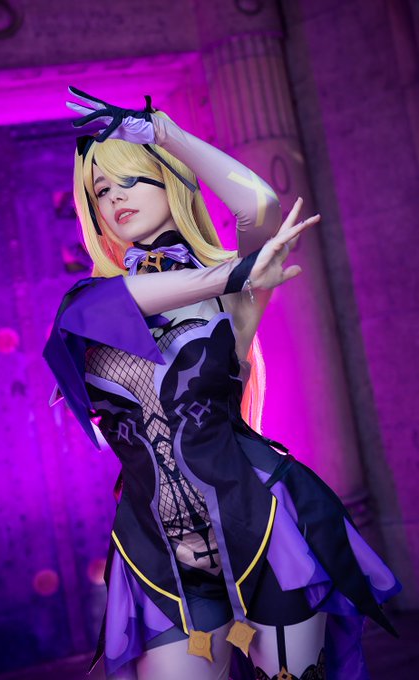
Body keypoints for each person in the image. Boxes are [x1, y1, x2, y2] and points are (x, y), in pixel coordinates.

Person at [43, 88, 401, 680]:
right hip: (156, 548)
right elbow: (124, 301)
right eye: (100, 190)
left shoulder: (230, 297)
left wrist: (163, 133)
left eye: (130, 179)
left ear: (170, 182)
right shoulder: (86, 304)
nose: (116, 197)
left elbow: (259, 204)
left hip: (262, 521)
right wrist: (238, 272)